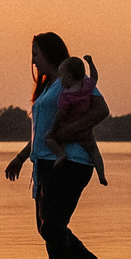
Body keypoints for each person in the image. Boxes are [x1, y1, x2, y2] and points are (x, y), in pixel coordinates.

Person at [4, 31, 118, 259]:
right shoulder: (46, 87)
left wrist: (69, 132)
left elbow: (101, 111)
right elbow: (43, 131)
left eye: (36, 54)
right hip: (44, 163)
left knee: (52, 225)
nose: (33, 61)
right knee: (48, 228)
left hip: (71, 163)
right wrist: (21, 158)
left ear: (50, 53)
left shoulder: (72, 80)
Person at [42, 54, 107, 183]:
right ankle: (101, 175)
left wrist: (54, 130)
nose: (61, 81)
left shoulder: (67, 96)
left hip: (68, 131)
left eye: (62, 77)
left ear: (69, 77)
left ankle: (61, 154)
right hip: (85, 133)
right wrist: (91, 63)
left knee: (48, 138)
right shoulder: (87, 86)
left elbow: (60, 115)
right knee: (94, 151)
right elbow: (94, 76)